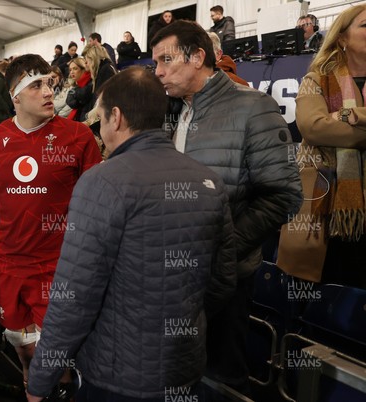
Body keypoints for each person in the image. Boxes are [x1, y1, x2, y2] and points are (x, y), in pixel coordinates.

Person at [27, 66, 237, 402]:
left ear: (117, 117)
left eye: (101, 117)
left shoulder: (102, 182)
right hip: (184, 369)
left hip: (116, 378)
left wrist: (40, 379)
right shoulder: (207, 180)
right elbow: (223, 280)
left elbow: (74, 296)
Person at [151, 20, 303, 395]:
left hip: (226, 276)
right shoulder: (170, 111)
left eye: (165, 60)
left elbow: (284, 195)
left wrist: (225, 246)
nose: (157, 71)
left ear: (198, 57)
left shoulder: (254, 108)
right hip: (171, 269)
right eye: (155, 63)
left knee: (220, 377)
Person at [0, 54, 102, 390]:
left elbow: (98, 209)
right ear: (15, 96)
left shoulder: (78, 137)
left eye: (50, 83)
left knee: (54, 362)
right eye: (36, 85)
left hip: (58, 269)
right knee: (23, 352)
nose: (49, 91)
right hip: (9, 267)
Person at [290, 5, 366, 289]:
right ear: (342, 38)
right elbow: (314, 127)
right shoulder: (316, 80)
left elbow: (330, 126)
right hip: (328, 212)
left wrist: (347, 117)